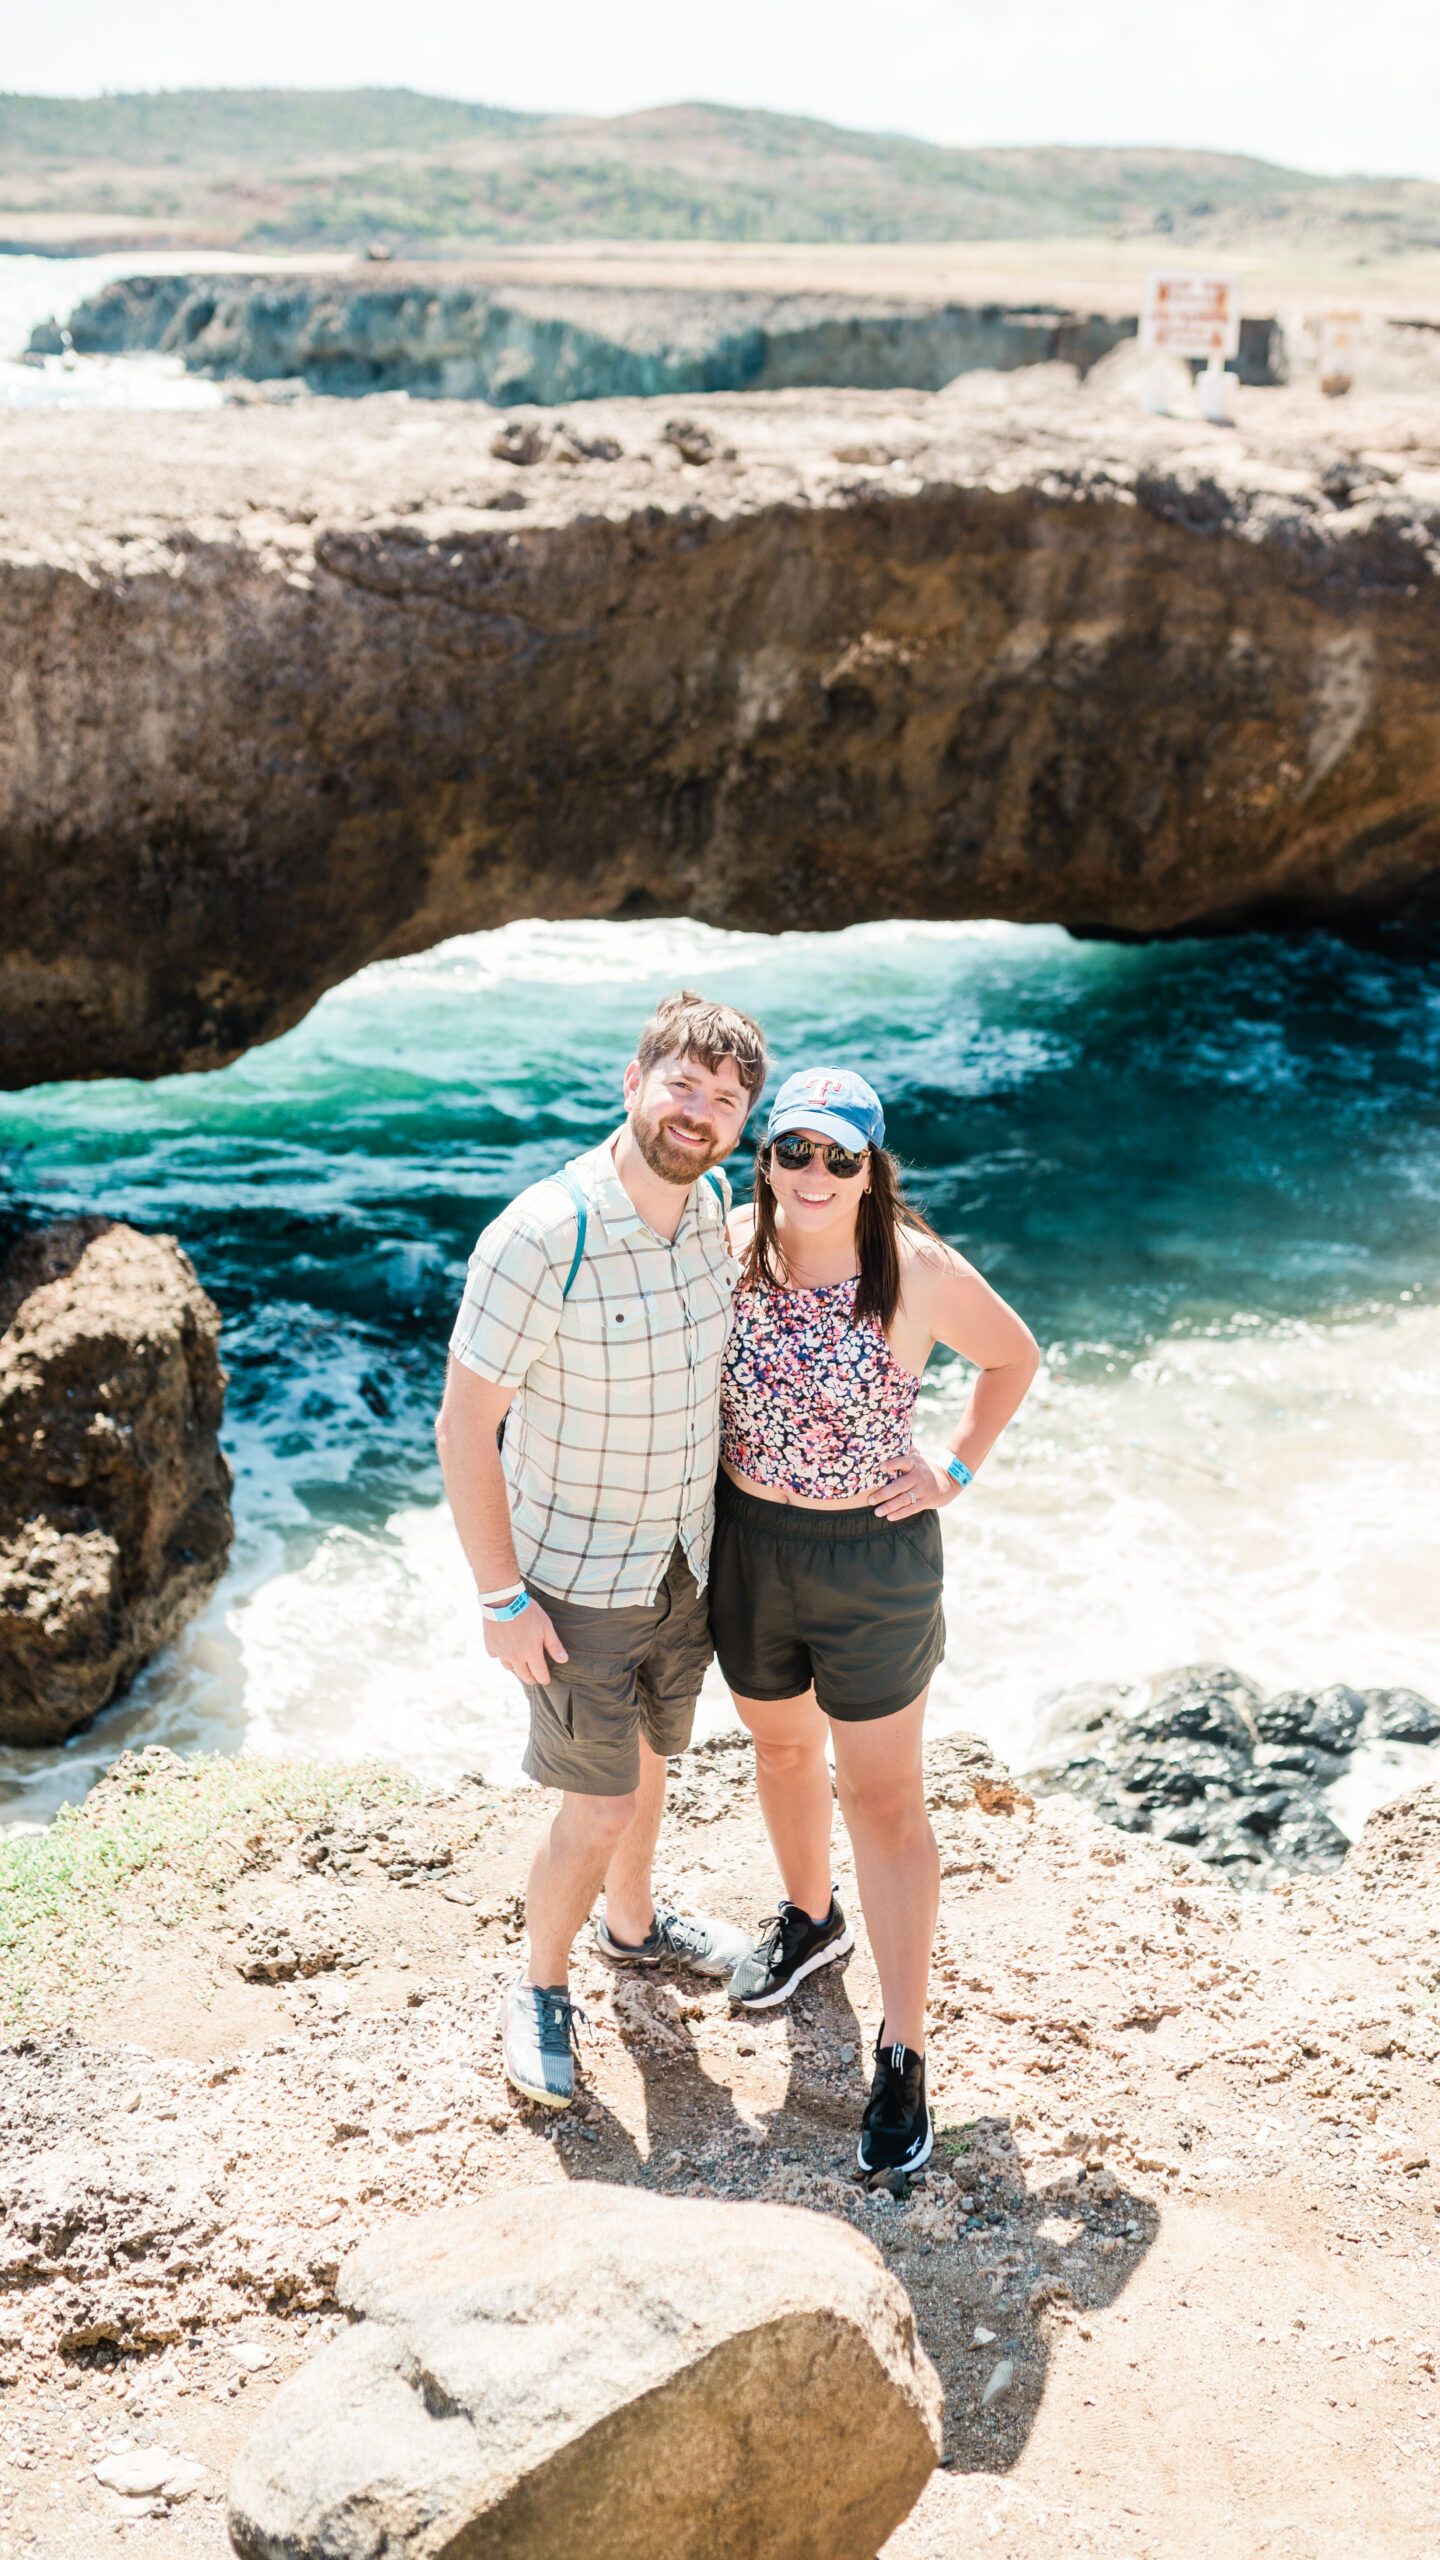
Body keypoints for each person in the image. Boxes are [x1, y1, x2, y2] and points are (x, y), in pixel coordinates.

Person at [435, 990, 768, 2112]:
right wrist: (498, 1595)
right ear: (632, 1084)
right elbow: (461, 1422)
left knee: (655, 1762)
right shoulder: (543, 1232)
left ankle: (632, 1931)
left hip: (684, 1558)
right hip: (575, 1579)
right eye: (683, 1084)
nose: (701, 1111)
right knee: (603, 1802)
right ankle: (536, 1987)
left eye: (725, 1099)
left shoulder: (714, 1201)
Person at [710, 1067, 1039, 2173]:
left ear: (871, 1169)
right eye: (794, 1150)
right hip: (750, 1544)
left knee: (888, 1800)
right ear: (765, 1156)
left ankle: (902, 2051)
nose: (814, 1173)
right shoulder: (725, 1243)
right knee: (780, 1744)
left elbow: (1014, 1356)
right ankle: (812, 1919)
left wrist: (951, 1466)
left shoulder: (916, 1266)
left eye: (839, 1156)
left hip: (875, 1562)